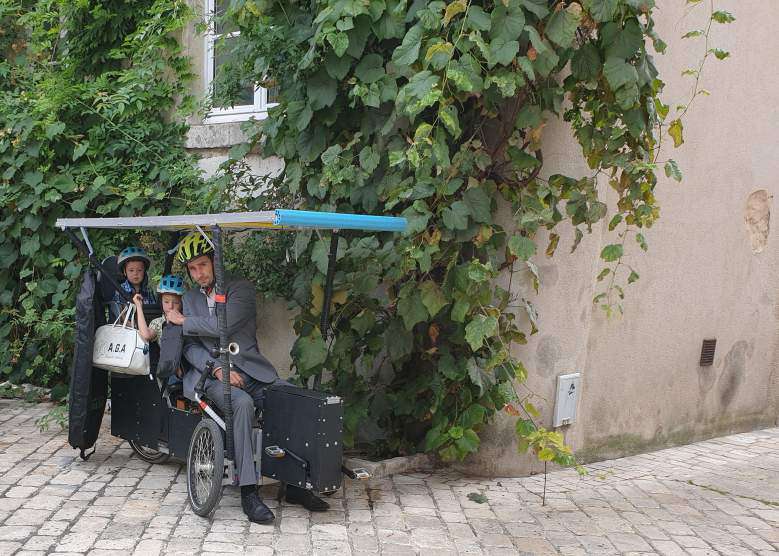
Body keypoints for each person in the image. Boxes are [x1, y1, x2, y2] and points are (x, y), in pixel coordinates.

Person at [167, 231, 329, 524]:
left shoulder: (240, 289)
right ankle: (249, 492)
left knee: (292, 398)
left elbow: (221, 325)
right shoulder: (189, 298)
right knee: (240, 404)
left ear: (215, 262)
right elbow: (189, 347)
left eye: (202, 265)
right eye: (192, 269)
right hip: (212, 377)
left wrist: (184, 321)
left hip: (252, 370)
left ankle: (296, 484)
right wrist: (216, 368)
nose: (198, 273)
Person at [133, 274, 186, 382]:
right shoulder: (158, 322)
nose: (170, 306)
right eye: (166, 302)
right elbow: (146, 335)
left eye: (175, 302)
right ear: (161, 301)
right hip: (170, 372)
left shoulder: (188, 320)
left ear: (182, 303)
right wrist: (139, 307)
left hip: (190, 369)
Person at [110, 246, 156, 322]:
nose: (135, 274)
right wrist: (134, 327)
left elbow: (154, 311)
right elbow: (120, 315)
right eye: (131, 270)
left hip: (147, 326)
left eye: (139, 270)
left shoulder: (148, 291)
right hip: (127, 329)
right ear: (124, 272)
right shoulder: (120, 291)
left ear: (144, 271)